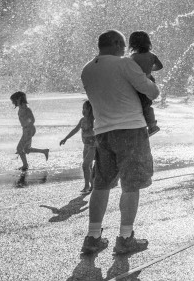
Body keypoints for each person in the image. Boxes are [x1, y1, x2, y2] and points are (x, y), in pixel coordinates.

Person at [79, 30, 160, 256]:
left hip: (103, 133)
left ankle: (93, 237)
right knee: (131, 184)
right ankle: (125, 237)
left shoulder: (87, 69)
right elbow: (152, 92)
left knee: (101, 184)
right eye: (123, 45)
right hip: (131, 131)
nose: (125, 50)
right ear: (115, 43)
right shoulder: (124, 65)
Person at [128, 31, 163, 135]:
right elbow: (160, 66)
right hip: (150, 82)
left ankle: (151, 126)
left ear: (132, 44)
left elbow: (130, 71)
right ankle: (150, 124)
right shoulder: (152, 56)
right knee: (147, 105)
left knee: (140, 105)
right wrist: (150, 69)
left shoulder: (133, 57)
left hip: (139, 85)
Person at [60, 100, 98, 193]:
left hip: (93, 147)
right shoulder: (82, 120)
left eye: (86, 108)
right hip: (86, 146)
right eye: (83, 108)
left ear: (91, 109)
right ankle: (92, 186)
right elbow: (75, 130)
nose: (83, 110)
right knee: (88, 166)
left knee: (85, 165)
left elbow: (99, 132)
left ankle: (86, 186)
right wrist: (65, 138)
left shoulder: (94, 120)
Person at [10, 91, 49, 171]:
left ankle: (25, 165)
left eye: (14, 100)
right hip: (26, 130)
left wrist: (27, 124)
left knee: (19, 148)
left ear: (19, 99)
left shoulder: (26, 109)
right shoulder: (21, 108)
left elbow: (33, 120)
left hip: (29, 130)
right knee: (26, 149)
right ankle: (44, 151)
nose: (13, 102)